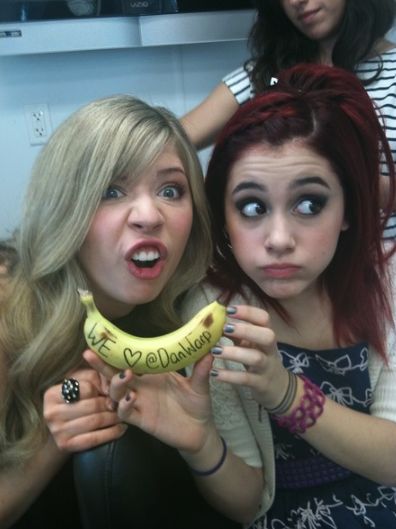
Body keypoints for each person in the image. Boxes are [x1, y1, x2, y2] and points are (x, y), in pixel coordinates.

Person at [0, 94, 254, 528]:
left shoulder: (191, 315)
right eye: (112, 191)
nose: (149, 215)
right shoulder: (10, 311)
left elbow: (248, 505)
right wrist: (51, 442)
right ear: (66, 205)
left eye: (171, 190)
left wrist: (202, 439)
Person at [183, 63, 396, 528]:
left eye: (309, 203)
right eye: (252, 207)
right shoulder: (211, 311)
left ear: (347, 210)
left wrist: (285, 395)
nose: (279, 238)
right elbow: (245, 502)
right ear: (224, 217)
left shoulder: (389, 279)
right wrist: (198, 438)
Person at [181, 0, 396, 237]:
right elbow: (167, 139)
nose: (296, 1)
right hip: (283, 255)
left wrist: (351, 181)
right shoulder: (265, 74)